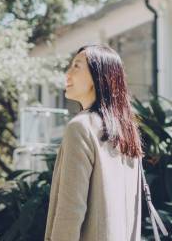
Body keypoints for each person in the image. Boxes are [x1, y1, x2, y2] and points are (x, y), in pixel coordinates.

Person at [44, 43, 144, 241]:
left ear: (98, 77)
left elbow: (71, 209)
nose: (67, 74)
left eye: (76, 66)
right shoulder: (127, 134)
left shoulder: (81, 128)